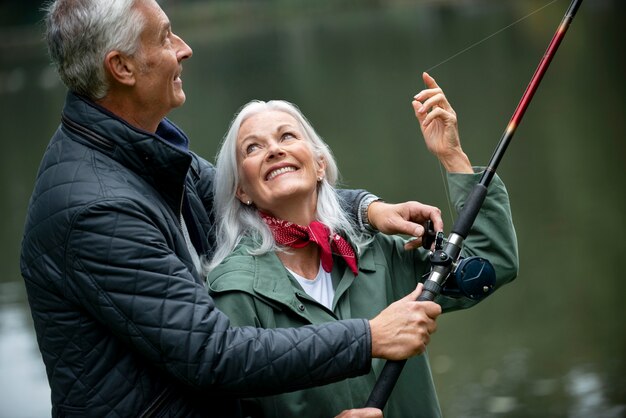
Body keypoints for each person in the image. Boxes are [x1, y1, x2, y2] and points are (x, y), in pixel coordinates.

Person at [20, 0, 446, 416]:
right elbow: (211, 353)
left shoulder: (147, 152)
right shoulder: (96, 209)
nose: (184, 48)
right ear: (123, 67)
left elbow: (262, 194)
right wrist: (368, 338)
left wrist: (366, 210)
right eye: (165, 37)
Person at [205, 73, 519, 417]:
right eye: (253, 147)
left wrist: (452, 156)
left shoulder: (378, 249)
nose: (274, 150)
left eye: (287, 136)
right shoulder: (233, 291)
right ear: (241, 190)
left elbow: (490, 265)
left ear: (320, 165)